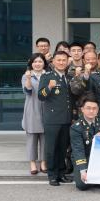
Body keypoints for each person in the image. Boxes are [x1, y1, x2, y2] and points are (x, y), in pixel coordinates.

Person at [38, 51, 74, 186]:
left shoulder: (69, 77)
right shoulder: (47, 76)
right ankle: (52, 175)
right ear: (53, 61)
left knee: (62, 148)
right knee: (51, 148)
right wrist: (49, 87)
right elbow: (41, 96)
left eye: (64, 60)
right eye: (59, 60)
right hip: (52, 119)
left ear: (67, 62)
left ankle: (61, 173)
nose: (61, 62)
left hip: (66, 118)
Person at [70, 93, 100, 191]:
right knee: (82, 185)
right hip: (85, 156)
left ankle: (97, 177)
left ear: (97, 110)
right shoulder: (76, 127)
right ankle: (95, 177)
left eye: (94, 108)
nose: (91, 111)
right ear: (82, 109)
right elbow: (78, 150)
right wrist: (83, 171)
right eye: (88, 108)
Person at [22, 53, 48, 175]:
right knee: (32, 138)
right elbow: (28, 91)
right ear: (31, 64)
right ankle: (32, 162)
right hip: (32, 109)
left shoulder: (48, 75)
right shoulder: (26, 76)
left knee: (45, 138)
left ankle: (43, 162)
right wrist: (28, 78)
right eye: (35, 62)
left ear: (44, 63)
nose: (37, 64)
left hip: (46, 108)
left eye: (40, 61)